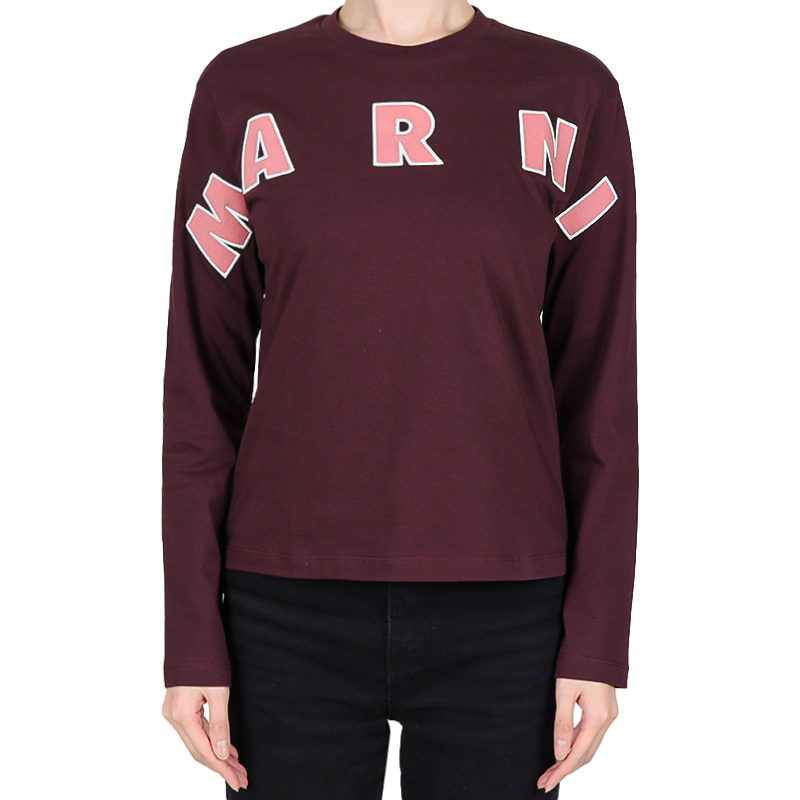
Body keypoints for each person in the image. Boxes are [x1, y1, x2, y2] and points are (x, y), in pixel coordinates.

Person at [160, 1, 638, 797]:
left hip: (509, 611)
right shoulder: (244, 90)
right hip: (283, 609)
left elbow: (601, 390)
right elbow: (200, 388)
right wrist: (192, 641)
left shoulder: (569, 92)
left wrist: (596, 639)